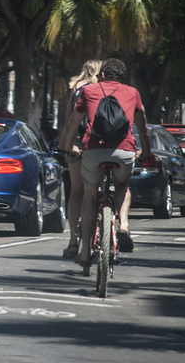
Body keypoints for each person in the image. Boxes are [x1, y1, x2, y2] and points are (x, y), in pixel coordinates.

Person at [60, 58, 151, 275]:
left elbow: (72, 122)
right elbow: (143, 125)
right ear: (123, 78)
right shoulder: (133, 93)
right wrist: (145, 152)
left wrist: (67, 146)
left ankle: (83, 252)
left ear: (102, 75)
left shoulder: (89, 92)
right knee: (122, 187)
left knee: (90, 193)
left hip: (93, 151)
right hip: (124, 151)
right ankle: (123, 226)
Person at [57, 60, 101, 259]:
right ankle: (96, 237)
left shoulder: (76, 88)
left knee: (76, 191)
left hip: (75, 143)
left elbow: (68, 119)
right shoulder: (102, 88)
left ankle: (73, 241)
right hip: (97, 145)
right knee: (93, 192)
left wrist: (65, 144)